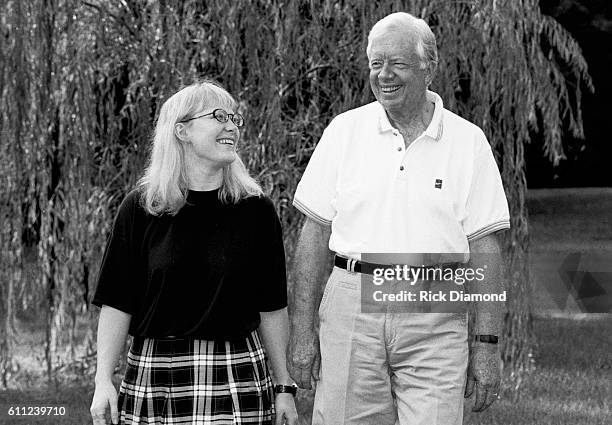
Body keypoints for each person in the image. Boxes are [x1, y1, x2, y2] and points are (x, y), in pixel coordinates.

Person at [287, 12, 510, 425]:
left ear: (431, 67)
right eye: (376, 64)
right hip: (352, 300)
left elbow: (485, 248)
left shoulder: (469, 141)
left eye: (398, 64)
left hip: (435, 302)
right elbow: (313, 234)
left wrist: (486, 344)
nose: (384, 75)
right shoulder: (344, 131)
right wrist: (301, 332)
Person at [90, 80, 298, 425]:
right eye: (218, 116)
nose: (231, 125)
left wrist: (284, 387)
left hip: (237, 373)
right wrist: (102, 381)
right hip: (155, 374)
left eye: (234, 118)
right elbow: (117, 302)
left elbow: (272, 307)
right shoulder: (142, 208)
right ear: (182, 130)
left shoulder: (256, 210)